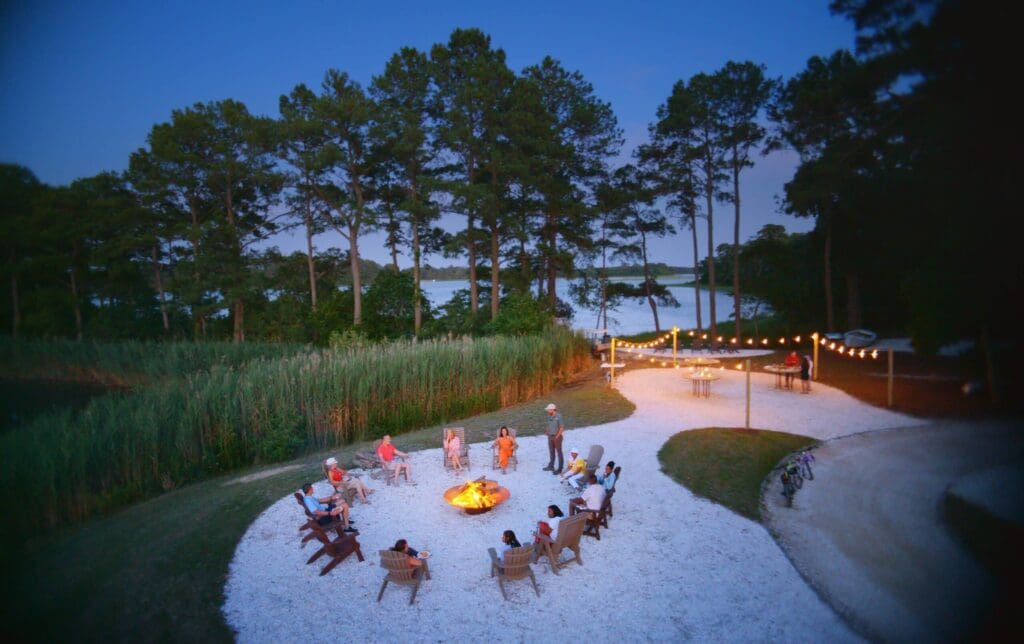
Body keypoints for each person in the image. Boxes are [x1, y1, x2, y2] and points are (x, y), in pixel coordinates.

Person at [542, 403, 564, 475]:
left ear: (552, 409)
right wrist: (547, 431)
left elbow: (561, 428)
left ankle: (560, 468)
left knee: (559, 452)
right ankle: (551, 466)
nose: (547, 411)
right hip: (550, 436)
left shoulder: (559, 416)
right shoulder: (549, 416)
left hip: (557, 437)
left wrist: (557, 436)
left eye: (548, 410)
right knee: (551, 451)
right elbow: (548, 425)